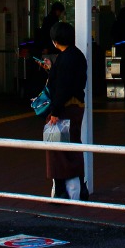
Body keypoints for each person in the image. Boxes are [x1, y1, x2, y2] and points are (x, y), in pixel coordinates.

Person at [44, 21, 89, 201]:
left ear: (55, 40)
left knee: (57, 148)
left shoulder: (64, 59)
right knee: (74, 145)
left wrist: (55, 112)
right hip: (76, 106)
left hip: (64, 109)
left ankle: (61, 191)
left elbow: (62, 87)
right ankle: (80, 188)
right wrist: (51, 68)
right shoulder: (77, 55)